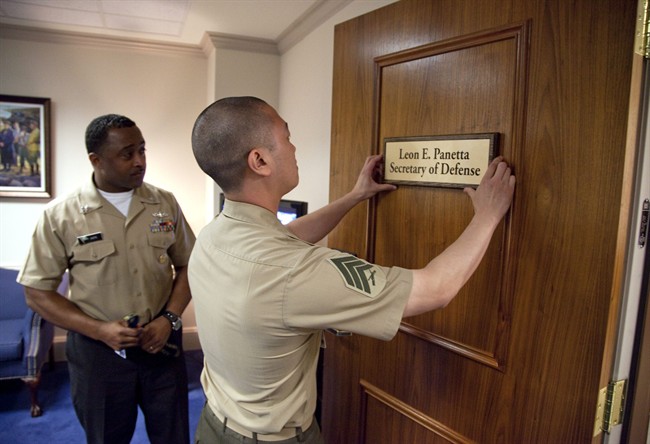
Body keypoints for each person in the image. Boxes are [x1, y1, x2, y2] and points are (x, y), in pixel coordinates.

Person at [188, 96, 515, 443]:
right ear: (260, 160)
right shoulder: (292, 271)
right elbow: (434, 289)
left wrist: (354, 196)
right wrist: (488, 215)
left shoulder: (215, 234)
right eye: (287, 136)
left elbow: (284, 239)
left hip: (213, 425)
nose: (294, 147)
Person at [17, 114, 196, 444]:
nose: (140, 162)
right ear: (96, 160)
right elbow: (36, 293)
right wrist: (99, 330)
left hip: (161, 346)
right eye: (127, 154)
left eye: (142, 150)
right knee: (106, 437)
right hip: (99, 356)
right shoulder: (61, 215)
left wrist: (169, 319)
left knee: (173, 435)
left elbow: (189, 266)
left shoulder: (164, 203)